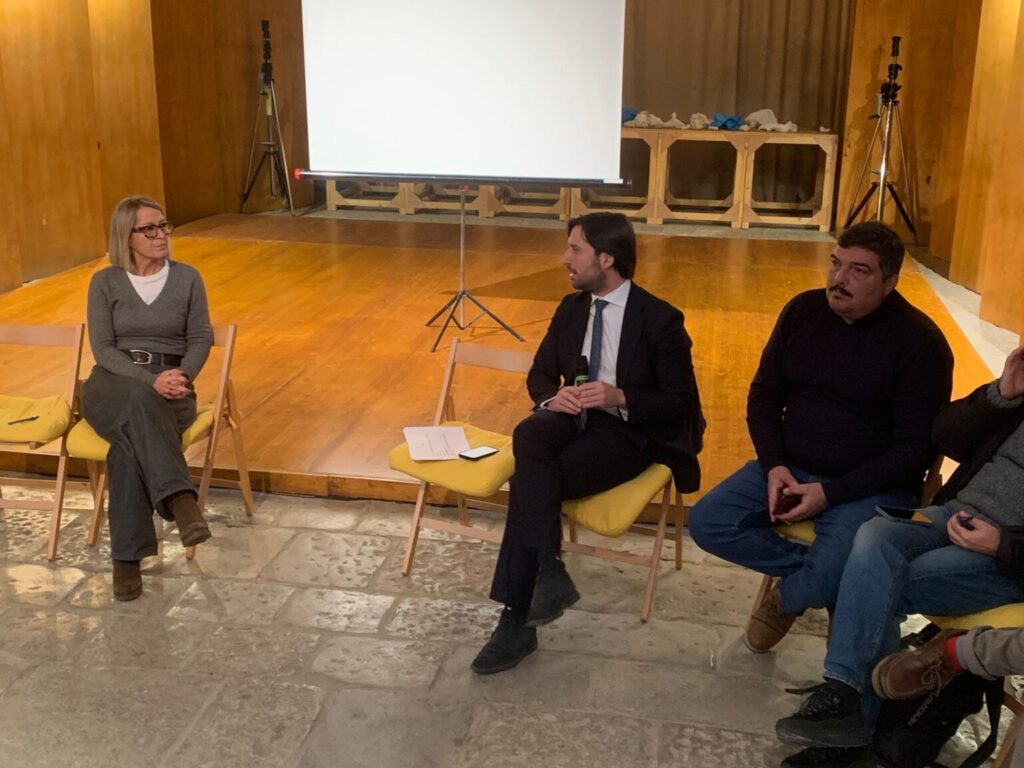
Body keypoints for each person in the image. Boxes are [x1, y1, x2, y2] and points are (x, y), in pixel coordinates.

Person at [688, 221, 953, 653]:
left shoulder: (920, 343)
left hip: (867, 487)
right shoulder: (802, 311)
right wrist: (774, 464)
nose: (838, 279)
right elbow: (764, 395)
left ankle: (790, 598)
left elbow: (915, 450)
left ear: (890, 283)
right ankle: (828, 580)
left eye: (858, 271)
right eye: (835, 263)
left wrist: (831, 493)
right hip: (790, 467)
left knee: (840, 563)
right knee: (707, 522)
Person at [470, 212, 704, 675]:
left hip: (628, 431)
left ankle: (517, 618)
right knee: (529, 432)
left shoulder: (659, 319)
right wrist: (551, 398)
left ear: (606, 258)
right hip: (572, 417)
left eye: (575, 249)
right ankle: (549, 570)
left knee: (530, 482)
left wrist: (621, 396)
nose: (565, 259)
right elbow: (540, 373)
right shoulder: (571, 308)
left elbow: (681, 403)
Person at [775, 345, 1024, 767]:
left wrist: (1001, 544)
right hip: (952, 515)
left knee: (879, 580)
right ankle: (846, 698)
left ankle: (852, 724)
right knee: (874, 535)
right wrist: (1001, 393)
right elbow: (946, 437)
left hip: (1005, 558)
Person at [82, 195, 214, 602]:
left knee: (127, 449)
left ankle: (126, 559)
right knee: (139, 400)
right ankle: (180, 499)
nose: (161, 235)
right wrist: (148, 380)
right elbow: (103, 350)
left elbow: (200, 337)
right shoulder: (104, 282)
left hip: (173, 385)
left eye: (163, 226)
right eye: (149, 229)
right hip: (113, 385)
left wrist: (181, 376)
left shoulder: (188, 278)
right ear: (127, 236)